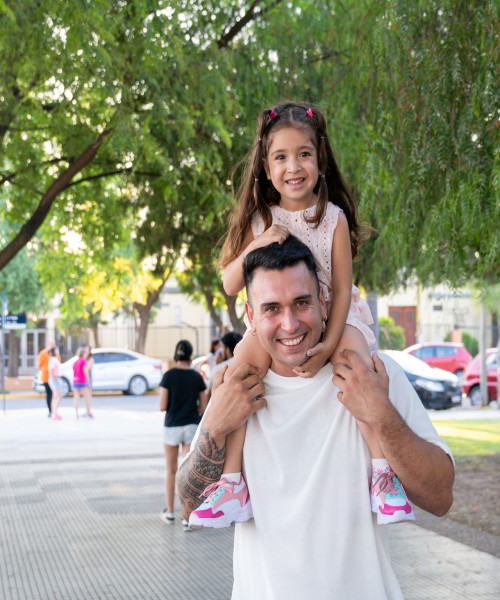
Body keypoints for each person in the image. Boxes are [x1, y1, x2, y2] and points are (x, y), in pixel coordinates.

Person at [176, 236, 454, 598]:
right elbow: (188, 504)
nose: (289, 324)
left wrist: (380, 413)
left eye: (301, 302)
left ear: (325, 302)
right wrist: (215, 425)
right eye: (271, 308)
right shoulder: (236, 388)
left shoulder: (372, 376)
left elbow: (440, 497)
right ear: (251, 317)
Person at [191, 101, 408, 528]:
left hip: (334, 317)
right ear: (267, 168)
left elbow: (343, 287)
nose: (294, 166)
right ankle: (233, 483)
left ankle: (383, 476)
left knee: (356, 367)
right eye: (281, 157)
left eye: (304, 154)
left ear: (320, 159)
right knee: (238, 373)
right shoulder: (260, 219)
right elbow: (230, 283)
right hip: (281, 320)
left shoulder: (333, 219)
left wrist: (329, 342)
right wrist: (259, 242)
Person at [159, 340, 209, 528]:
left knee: (171, 470)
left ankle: (170, 512)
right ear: (190, 355)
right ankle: (187, 517)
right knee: (187, 471)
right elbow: (203, 407)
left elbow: (162, 405)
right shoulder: (197, 378)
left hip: (172, 426)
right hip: (191, 426)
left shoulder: (168, 376)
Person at [72, 348, 94, 419]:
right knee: (87, 397)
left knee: (76, 397)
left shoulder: (76, 362)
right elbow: (86, 373)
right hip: (82, 381)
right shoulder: (83, 361)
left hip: (75, 381)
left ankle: (76, 413)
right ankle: (88, 412)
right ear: (83, 354)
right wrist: (89, 384)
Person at [38, 340, 55, 417]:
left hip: (54, 377)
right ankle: (50, 411)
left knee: (54, 395)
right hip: (46, 377)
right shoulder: (43, 353)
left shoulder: (55, 354)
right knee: (49, 394)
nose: (52, 345)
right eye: (51, 344)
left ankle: (54, 410)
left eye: (53, 344)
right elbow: (39, 364)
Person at [48, 346, 64, 421]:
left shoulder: (54, 359)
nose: (58, 351)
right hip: (55, 379)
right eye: (56, 350)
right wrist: (54, 379)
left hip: (56, 378)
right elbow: (51, 370)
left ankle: (55, 413)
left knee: (56, 397)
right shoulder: (53, 360)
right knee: (58, 397)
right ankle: (54, 413)